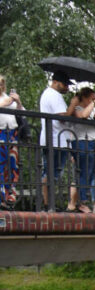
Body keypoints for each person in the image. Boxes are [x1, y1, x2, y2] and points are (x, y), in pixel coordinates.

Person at [39, 70, 79, 210]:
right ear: (56, 82)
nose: (67, 88)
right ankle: (47, 204)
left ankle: (48, 204)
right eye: (65, 84)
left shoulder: (49, 94)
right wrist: (73, 103)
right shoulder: (54, 95)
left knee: (54, 173)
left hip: (55, 139)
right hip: (54, 140)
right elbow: (62, 117)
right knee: (51, 172)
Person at [67, 87, 95, 213]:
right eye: (91, 98)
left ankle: (88, 201)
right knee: (84, 172)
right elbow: (83, 115)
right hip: (82, 142)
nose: (94, 100)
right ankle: (81, 202)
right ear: (84, 97)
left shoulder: (92, 108)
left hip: (94, 143)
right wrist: (93, 104)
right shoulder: (76, 108)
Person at [0, 74, 22, 209]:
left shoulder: (7, 97)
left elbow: (23, 113)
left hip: (12, 133)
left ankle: (10, 195)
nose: (1, 86)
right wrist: (8, 102)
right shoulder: (6, 100)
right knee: (0, 165)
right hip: (0, 133)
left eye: (2, 83)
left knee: (12, 165)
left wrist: (18, 102)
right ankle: (1, 197)